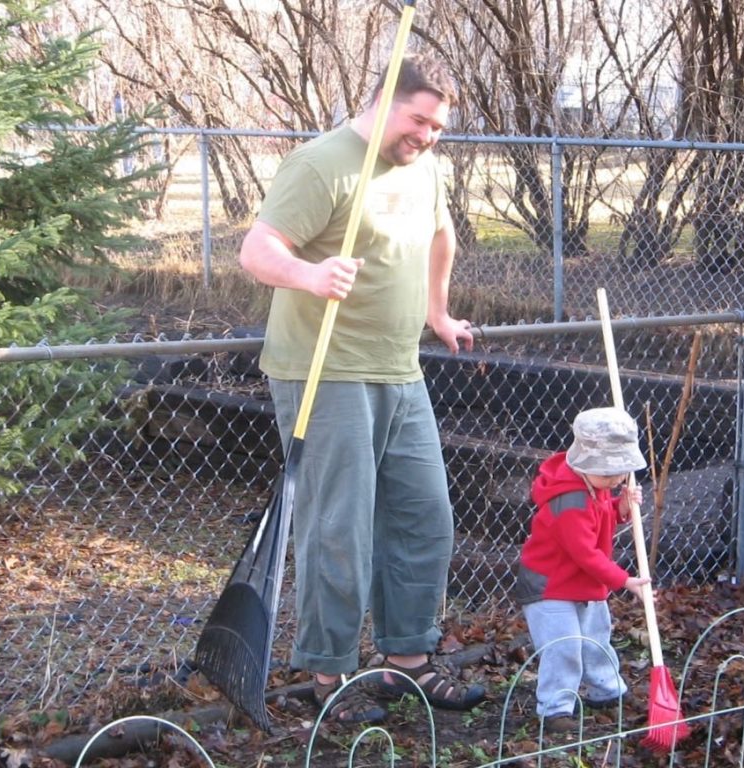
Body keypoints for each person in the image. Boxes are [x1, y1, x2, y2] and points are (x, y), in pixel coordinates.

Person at [238, 53, 485, 725]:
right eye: (418, 120)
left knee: (424, 515)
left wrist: (436, 312)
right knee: (339, 527)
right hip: (326, 370)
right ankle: (330, 673)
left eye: (438, 126)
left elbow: (441, 237)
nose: (428, 136)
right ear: (382, 100)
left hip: (399, 368)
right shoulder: (323, 164)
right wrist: (309, 276)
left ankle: (406, 660)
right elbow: (257, 250)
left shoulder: (425, 167)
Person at [515, 407, 652, 733]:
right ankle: (555, 708)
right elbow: (584, 553)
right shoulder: (570, 500)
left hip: (582, 584)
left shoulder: (594, 483)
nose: (617, 480)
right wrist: (624, 580)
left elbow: (602, 518)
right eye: (609, 474)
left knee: (595, 639)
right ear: (584, 464)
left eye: (621, 472)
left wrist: (621, 506)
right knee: (564, 646)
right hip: (550, 587)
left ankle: (607, 691)